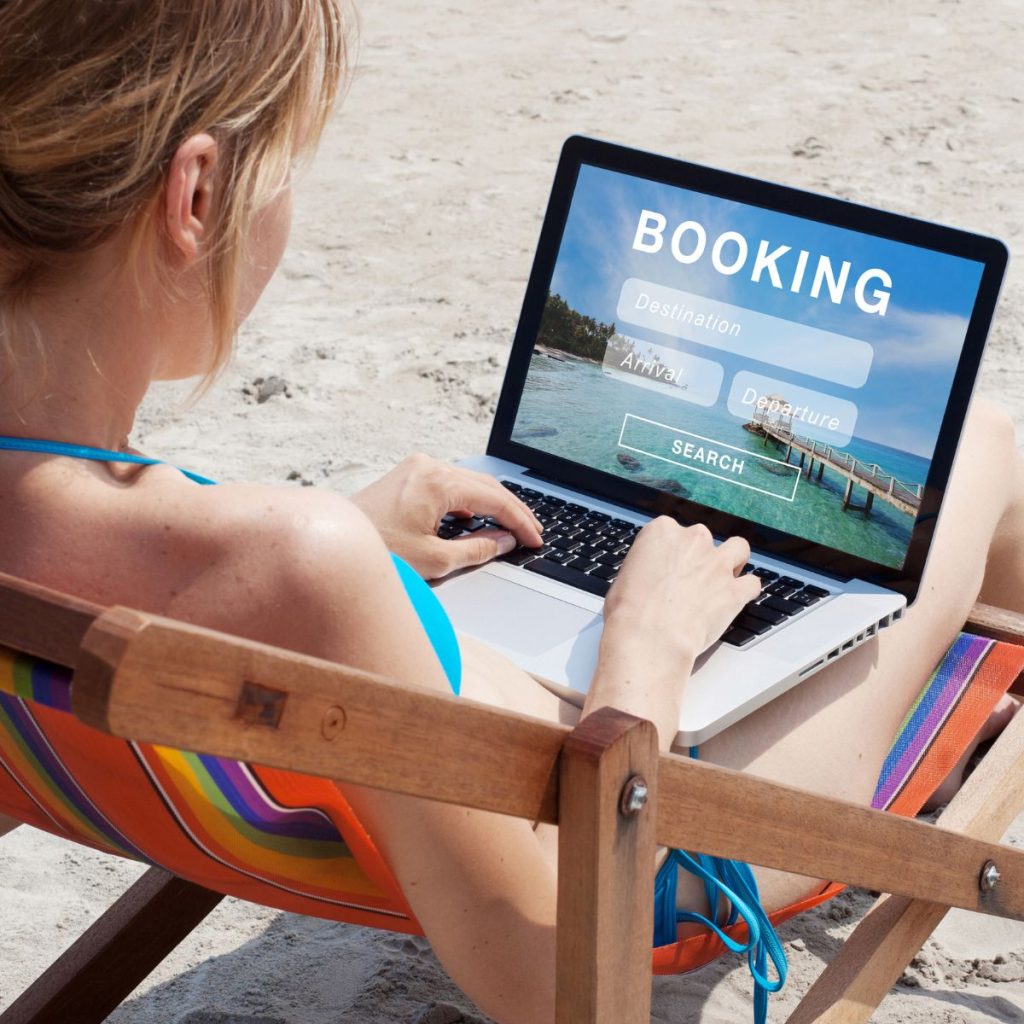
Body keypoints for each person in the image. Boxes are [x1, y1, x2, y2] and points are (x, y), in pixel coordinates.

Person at [0, 2, 1022, 1022]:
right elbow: (565, 990)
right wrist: (647, 648)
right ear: (196, 192)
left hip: (491, 749)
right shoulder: (297, 559)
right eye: (282, 171)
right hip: (658, 823)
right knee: (975, 441)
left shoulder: (227, 555)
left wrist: (351, 548)